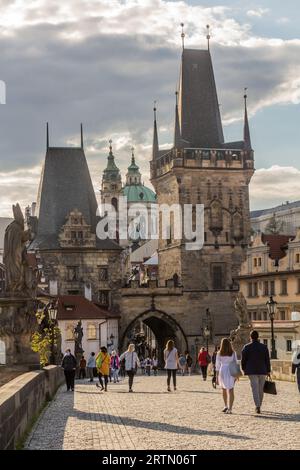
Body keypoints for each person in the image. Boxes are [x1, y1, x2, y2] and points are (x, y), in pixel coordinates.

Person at [241, 330, 271, 414]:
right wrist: (268, 370)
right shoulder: (264, 347)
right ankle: (259, 405)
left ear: (250, 337)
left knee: (255, 389)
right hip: (262, 370)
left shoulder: (246, 347)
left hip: (251, 371)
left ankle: (257, 406)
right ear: (258, 337)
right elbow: (267, 360)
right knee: (260, 389)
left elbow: (243, 360)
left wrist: (243, 368)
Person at [216, 338, 238, 414]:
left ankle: (225, 405)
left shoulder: (219, 353)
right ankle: (230, 408)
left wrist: (216, 377)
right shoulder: (233, 353)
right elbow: (235, 363)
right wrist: (236, 375)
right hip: (231, 370)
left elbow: (217, 366)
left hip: (223, 370)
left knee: (224, 389)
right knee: (231, 389)